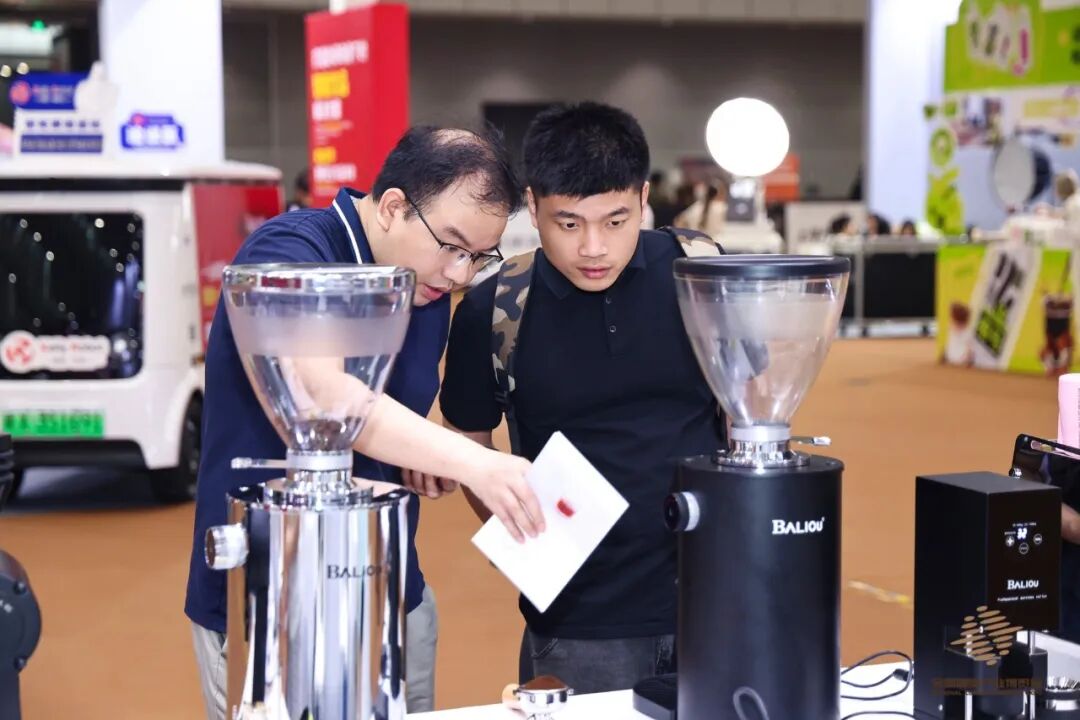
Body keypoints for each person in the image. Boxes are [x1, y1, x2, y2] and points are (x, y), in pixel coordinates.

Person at [185, 126, 546, 720]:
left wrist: (417, 456)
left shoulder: (423, 286)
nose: (459, 275)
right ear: (393, 206)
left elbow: (379, 410)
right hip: (276, 596)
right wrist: (477, 462)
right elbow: (319, 397)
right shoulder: (288, 251)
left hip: (391, 590)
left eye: (478, 257)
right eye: (451, 246)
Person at [438, 102, 726, 694]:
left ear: (643, 199)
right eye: (568, 224)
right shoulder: (494, 309)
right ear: (532, 205)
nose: (594, 247)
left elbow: (751, 409)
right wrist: (526, 541)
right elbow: (469, 442)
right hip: (577, 625)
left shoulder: (704, 277)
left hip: (717, 603)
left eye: (616, 221)